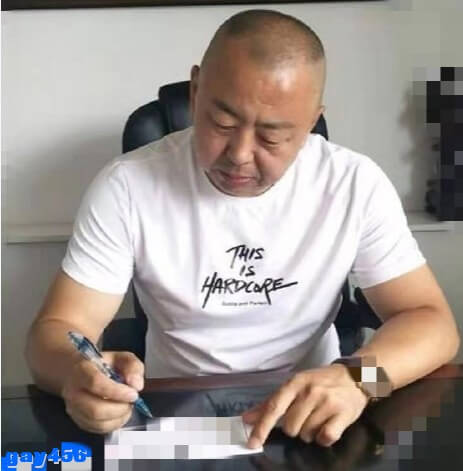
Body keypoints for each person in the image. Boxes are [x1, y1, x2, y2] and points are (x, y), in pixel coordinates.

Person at [25, 9, 460, 449]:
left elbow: (434, 325)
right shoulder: (127, 185)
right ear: (195, 91)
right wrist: (74, 376)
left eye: (272, 137)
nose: (239, 154)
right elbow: (57, 329)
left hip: (310, 415)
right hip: (179, 414)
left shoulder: (352, 184)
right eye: (222, 124)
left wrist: (358, 378)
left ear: (312, 121)